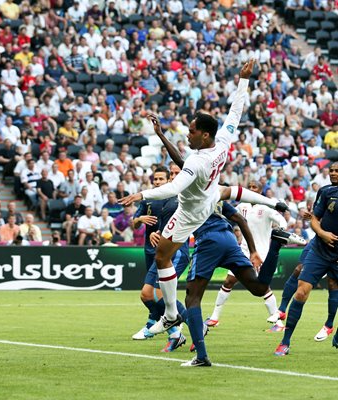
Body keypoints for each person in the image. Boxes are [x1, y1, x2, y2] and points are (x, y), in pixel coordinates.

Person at [119, 60, 286, 335]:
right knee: (228, 192)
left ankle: (172, 315)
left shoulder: (196, 163)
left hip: (190, 212)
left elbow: (173, 188)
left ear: (205, 135)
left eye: (192, 130)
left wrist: (140, 194)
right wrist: (244, 80)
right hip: (209, 196)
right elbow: (235, 112)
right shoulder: (222, 142)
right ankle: (172, 315)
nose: (188, 132)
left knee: (162, 258)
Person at [206, 180, 292, 329]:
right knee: (228, 282)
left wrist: (281, 229)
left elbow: (282, 220)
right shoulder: (242, 206)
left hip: (260, 253)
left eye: (254, 187)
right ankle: (214, 317)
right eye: (250, 187)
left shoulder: (267, 206)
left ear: (260, 190)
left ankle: (278, 323)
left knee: (262, 287)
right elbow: (229, 217)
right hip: (242, 251)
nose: (251, 189)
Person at [275, 162, 338, 356]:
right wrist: (322, 234)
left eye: (337, 171)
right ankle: (285, 342)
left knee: (334, 288)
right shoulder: (327, 192)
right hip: (319, 249)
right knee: (301, 292)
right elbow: (315, 219)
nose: (333, 173)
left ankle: (331, 328)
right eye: (332, 170)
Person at [132, 164, 190, 353]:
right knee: (152, 294)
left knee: (156, 294)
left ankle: (189, 324)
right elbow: (134, 222)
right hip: (151, 251)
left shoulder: (177, 199)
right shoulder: (149, 198)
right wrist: (140, 221)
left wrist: (159, 233)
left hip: (172, 251)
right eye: (155, 179)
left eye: (162, 178)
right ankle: (173, 330)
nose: (158, 182)